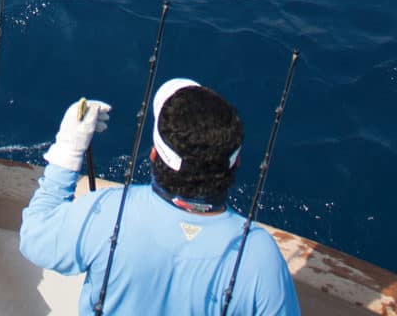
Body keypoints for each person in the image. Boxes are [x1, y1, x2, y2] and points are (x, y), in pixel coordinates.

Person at [19, 79, 300, 316]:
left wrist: (68, 151)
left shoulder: (108, 212)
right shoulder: (260, 256)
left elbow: (35, 238)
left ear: (154, 156)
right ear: (235, 164)